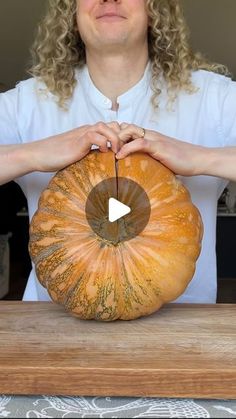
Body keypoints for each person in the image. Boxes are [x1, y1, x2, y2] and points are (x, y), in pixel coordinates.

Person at [0, 0, 236, 303]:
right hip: (52, 335)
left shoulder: (214, 99)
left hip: (182, 338)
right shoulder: (26, 103)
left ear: (156, 7)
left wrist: (202, 158)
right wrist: (31, 154)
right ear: (70, 8)